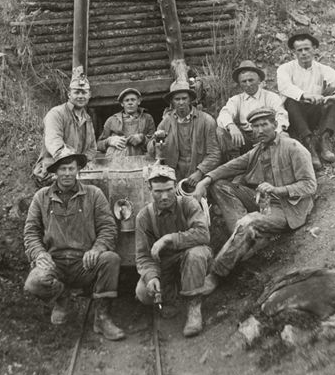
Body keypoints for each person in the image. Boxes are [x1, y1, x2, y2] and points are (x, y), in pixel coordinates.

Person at [193, 107, 316, 295]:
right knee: (220, 186)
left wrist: (279, 190)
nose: (259, 131)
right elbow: (231, 166)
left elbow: (309, 185)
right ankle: (242, 238)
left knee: (250, 221)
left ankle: (216, 275)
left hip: (286, 208)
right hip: (263, 201)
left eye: (264, 125)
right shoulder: (258, 150)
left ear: (275, 125)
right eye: (255, 127)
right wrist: (205, 179)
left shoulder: (293, 147)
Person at [24, 149, 125, 340]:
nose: (68, 173)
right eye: (63, 169)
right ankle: (62, 299)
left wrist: (97, 248)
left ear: (78, 170)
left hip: (84, 264)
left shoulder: (94, 194)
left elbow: (108, 228)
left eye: (71, 168)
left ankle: (102, 318)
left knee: (110, 259)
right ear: (55, 171)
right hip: (55, 263)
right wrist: (39, 254)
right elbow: (31, 233)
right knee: (33, 282)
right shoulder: (41, 198)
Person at [135, 164, 212, 337]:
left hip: (190, 258)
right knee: (143, 293)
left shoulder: (188, 204)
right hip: (166, 265)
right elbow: (143, 256)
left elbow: (203, 234)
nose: (164, 196)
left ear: (176, 186)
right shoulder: (144, 217)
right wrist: (151, 276)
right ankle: (171, 296)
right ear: (150, 190)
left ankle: (193, 308)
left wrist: (168, 238)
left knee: (196, 253)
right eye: (158, 191)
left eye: (169, 190)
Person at [277, 32, 335, 169]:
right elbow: (284, 86)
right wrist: (305, 96)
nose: (304, 53)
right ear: (294, 52)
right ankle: (308, 143)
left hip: (314, 113)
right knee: (290, 100)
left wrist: (334, 96)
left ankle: (324, 140)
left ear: (314, 49)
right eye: (299, 50)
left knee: (333, 96)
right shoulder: (285, 69)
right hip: (295, 116)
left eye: (307, 49)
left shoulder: (322, 69)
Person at [148, 81, 221, 187]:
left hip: (200, 176)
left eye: (184, 98)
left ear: (190, 99)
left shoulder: (206, 121)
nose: (181, 102)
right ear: (172, 101)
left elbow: (215, 154)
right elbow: (152, 152)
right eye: (177, 99)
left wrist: (200, 172)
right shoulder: (166, 122)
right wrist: (156, 142)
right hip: (174, 176)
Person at [217, 60, 289, 160]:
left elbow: (281, 115)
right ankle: (235, 162)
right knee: (221, 131)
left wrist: (276, 133)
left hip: (267, 135)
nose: (248, 84)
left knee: (284, 136)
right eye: (244, 81)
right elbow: (224, 113)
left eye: (251, 80)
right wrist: (231, 125)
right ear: (239, 83)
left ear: (259, 80)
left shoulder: (270, 97)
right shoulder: (236, 100)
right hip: (246, 139)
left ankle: (277, 164)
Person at [33, 74, 97, 184]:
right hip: (52, 172)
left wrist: (84, 163)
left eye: (84, 92)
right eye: (76, 92)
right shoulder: (56, 114)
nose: (81, 96)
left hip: (74, 173)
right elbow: (54, 144)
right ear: (69, 94)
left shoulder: (87, 119)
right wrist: (74, 165)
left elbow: (92, 148)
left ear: (89, 95)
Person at [97, 88, 155, 158]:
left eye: (133, 100)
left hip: (140, 160)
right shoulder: (111, 120)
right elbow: (98, 145)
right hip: (116, 160)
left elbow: (154, 143)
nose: (130, 103)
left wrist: (142, 138)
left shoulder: (147, 118)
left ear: (139, 101)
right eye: (126, 100)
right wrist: (109, 141)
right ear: (122, 104)